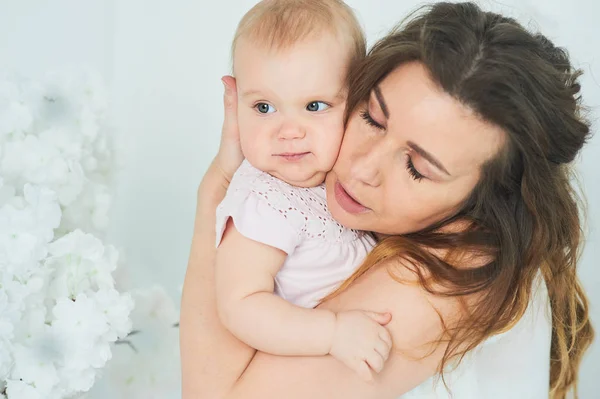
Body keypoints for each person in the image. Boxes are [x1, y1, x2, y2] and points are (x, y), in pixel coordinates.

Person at [180, 2, 595, 398]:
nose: (361, 169)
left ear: (483, 203)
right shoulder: (333, 209)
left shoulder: (460, 272)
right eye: (371, 119)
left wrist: (217, 190)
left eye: (417, 168)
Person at [214, 0, 393, 380]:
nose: (288, 130)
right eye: (264, 107)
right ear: (236, 103)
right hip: (293, 370)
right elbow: (240, 305)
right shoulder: (265, 201)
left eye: (314, 105)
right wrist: (331, 333)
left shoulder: (341, 180)